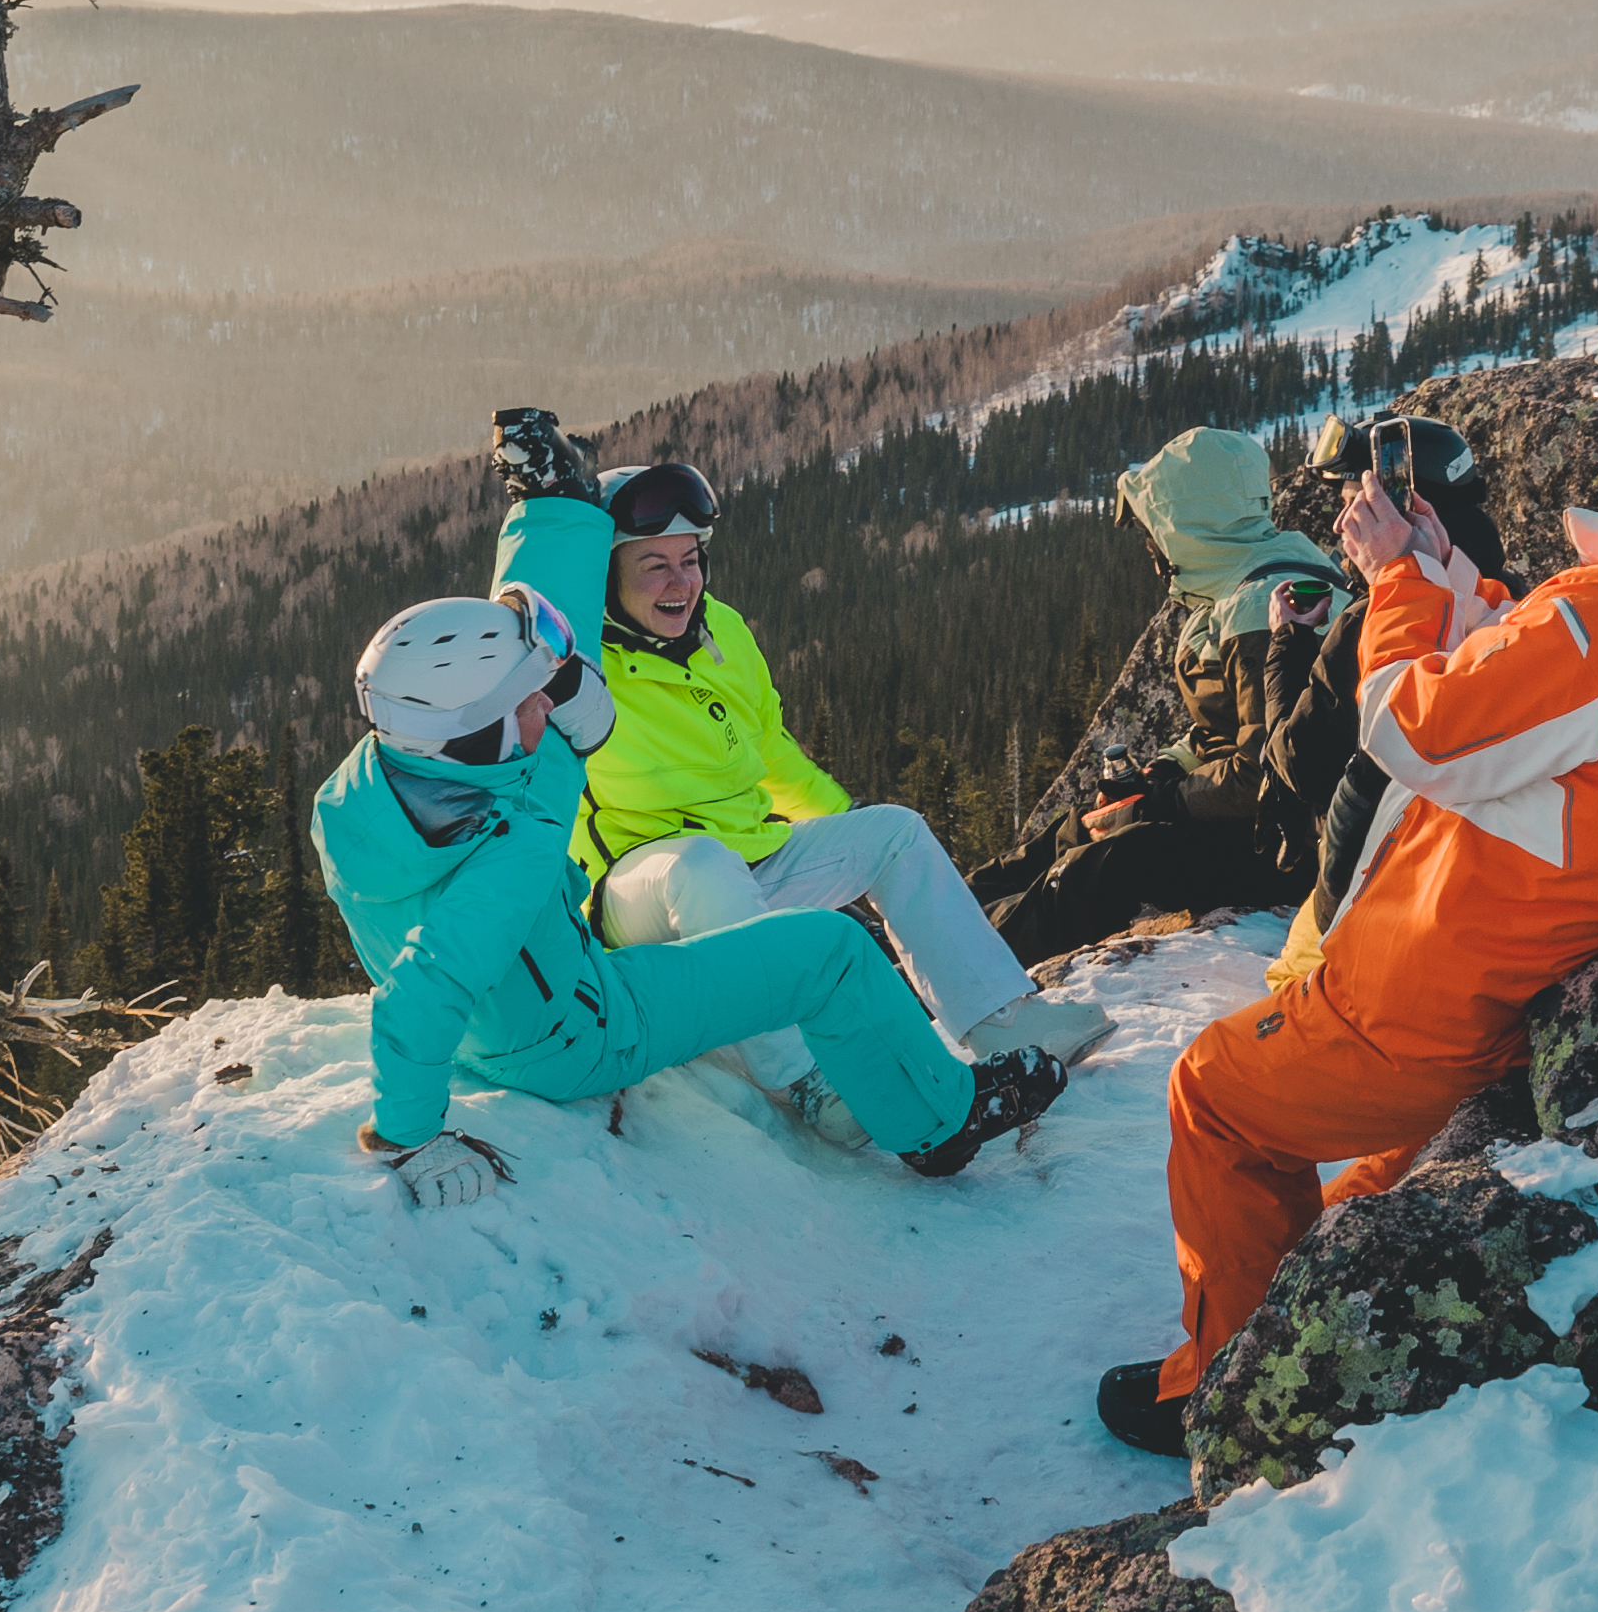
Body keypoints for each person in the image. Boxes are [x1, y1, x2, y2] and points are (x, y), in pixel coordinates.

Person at [1093, 297, 1598, 1457]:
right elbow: (1584, 726)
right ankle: (1310, 1292)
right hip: (1548, 989)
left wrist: (1396, 584)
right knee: (1363, 1175)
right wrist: (1470, 592)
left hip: (1428, 1004)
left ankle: (1218, 1392)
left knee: (1212, 1096)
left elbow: (1415, 726)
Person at [312, 437, 1073, 1206]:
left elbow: (537, 617)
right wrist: (410, 1134)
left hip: (527, 1011)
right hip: (583, 1031)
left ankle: (978, 1033)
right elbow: (423, 985)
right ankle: (937, 1121)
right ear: (482, 731)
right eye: (527, 701)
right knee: (831, 951)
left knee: (850, 877)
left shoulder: (371, 786)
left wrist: (551, 506)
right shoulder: (517, 831)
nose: (549, 699)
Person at [495, 410, 1109, 1152]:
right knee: (703, 866)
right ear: (607, 577)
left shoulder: (723, 632)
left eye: (690, 560)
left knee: (894, 831)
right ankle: (812, 1082)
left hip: (749, 860)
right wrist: (544, 507)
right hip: (640, 891)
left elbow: (774, 758)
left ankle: (1001, 1015)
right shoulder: (582, 659)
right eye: (653, 564)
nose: (680, 582)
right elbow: (525, 610)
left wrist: (848, 840)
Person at [967, 427, 1351, 965]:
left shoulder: (1263, 603)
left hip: (1287, 845)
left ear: (1187, 528)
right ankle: (940, 916)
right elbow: (1226, 728)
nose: (1150, 551)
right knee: (1082, 824)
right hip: (1258, 819)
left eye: (1154, 534)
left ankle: (959, 963)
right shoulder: (1248, 583)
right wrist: (1165, 770)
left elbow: (1263, 771)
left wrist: (1161, 801)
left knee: (1114, 860)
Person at [1263, 411, 1513, 994]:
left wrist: (1287, 645)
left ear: (1399, 508)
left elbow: (1295, 764)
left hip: (1370, 889)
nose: (1340, 522)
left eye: (1358, 504)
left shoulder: (1374, 617)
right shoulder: (1506, 592)